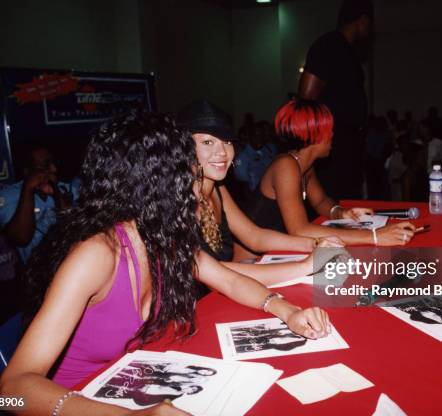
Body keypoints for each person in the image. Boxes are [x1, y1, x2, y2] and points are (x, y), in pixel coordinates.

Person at [0, 112, 332, 416]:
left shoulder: (163, 236)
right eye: (182, 173)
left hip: (133, 385)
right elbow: (13, 389)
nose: (192, 185)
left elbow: (229, 280)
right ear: (153, 185)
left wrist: (286, 311)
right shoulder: (96, 254)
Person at [177, 99, 343, 282]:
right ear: (183, 148)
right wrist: (305, 266)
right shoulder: (173, 200)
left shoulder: (217, 189)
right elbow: (214, 271)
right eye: (208, 142)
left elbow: (254, 236)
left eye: (227, 141)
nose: (223, 152)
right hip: (192, 304)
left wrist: (315, 243)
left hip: (228, 289)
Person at [244, 99, 415, 246]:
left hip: (277, 249)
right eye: (329, 129)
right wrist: (374, 236)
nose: (332, 134)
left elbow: (320, 202)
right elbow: (300, 229)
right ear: (315, 134)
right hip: (252, 260)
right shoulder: (286, 166)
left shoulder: (304, 165)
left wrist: (342, 213)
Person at [298, 0, 374, 200]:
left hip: (347, 144)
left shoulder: (349, 52)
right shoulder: (329, 45)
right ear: (363, 21)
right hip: (331, 146)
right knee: (334, 199)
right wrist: (320, 137)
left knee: (348, 202)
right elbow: (305, 98)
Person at [0, 144, 79, 263]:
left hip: (73, 261)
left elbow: (76, 229)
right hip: (38, 271)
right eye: (45, 165)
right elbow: (21, 239)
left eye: (54, 163)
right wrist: (28, 189)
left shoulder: (66, 189)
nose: (54, 169)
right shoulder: (8, 196)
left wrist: (57, 195)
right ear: (28, 171)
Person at [234, 120, 278, 191]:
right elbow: (242, 187)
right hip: (254, 196)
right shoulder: (243, 157)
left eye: (261, 135)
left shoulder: (268, 150)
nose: (259, 138)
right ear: (249, 137)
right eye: (255, 135)